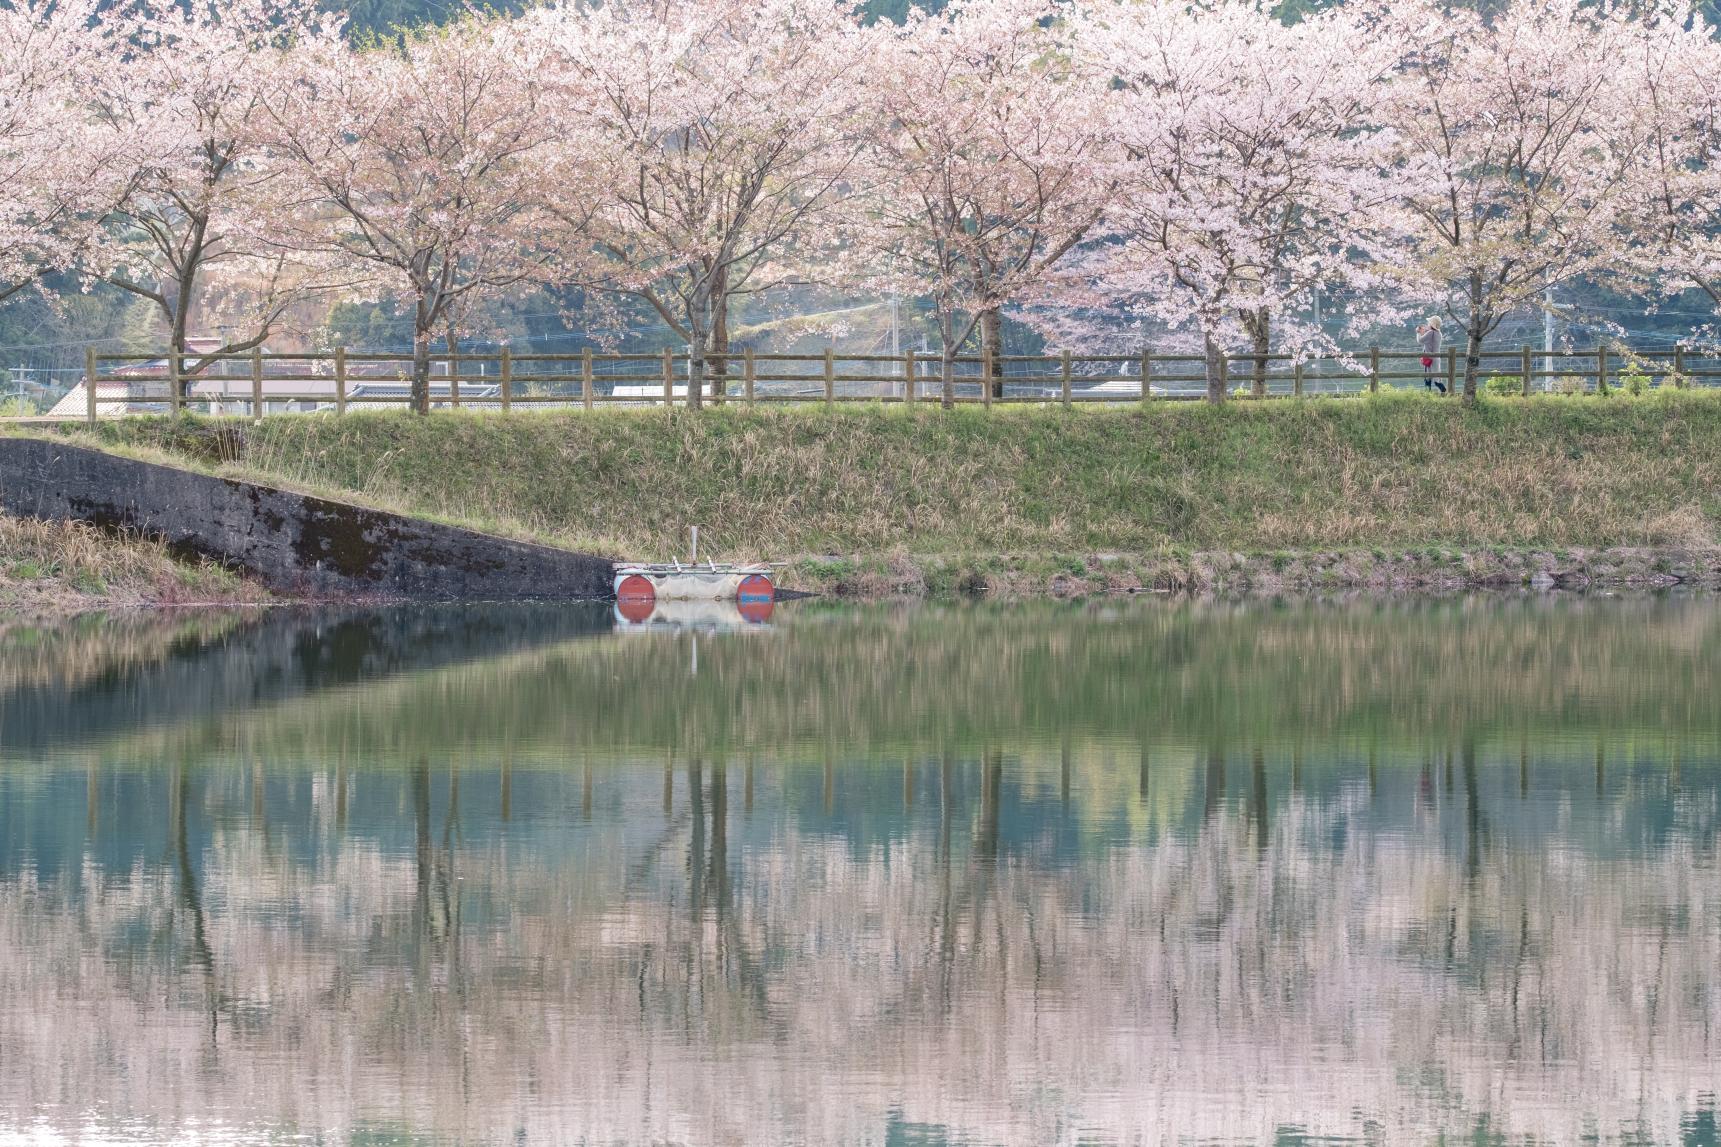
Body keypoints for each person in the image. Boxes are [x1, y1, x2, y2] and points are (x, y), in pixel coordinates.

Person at [1417, 317, 1444, 393]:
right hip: (1436, 357)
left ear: (1432, 324)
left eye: (1429, 323)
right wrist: (1424, 331)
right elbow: (1430, 342)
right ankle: (1443, 392)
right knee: (1437, 377)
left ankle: (1428, 393)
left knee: (1428, 377)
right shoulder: (1439, 333)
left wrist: (1419, 332)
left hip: (1429, 358)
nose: (1428, 324)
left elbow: (1420, 340)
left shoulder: (1430, 333)